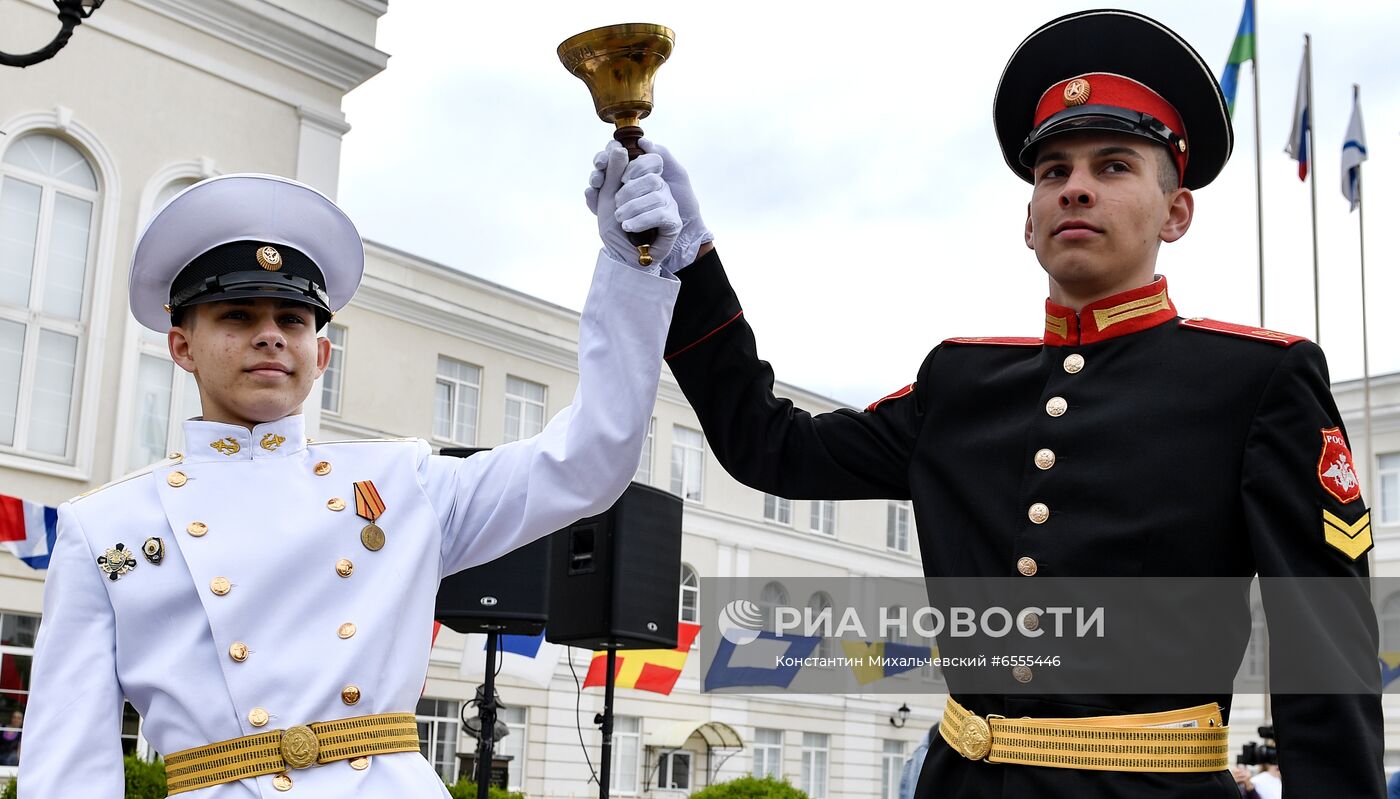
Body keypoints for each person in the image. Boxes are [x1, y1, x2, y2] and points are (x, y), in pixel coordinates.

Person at [587, 8, 1383, 798]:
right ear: (1028, 223)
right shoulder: (960, 385)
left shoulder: (1257, 381)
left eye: (1113, 166)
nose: (1075, 188)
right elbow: (768, 444)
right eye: (1053, 172)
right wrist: (683, 258)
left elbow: (1326, 652)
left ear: (1176, 213)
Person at [22, 146, 682, 797]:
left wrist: (633, 271)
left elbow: (591, 459)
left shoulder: (403, 482)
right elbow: (68, 767)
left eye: (292, 317)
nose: (270, 334)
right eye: (237, 315)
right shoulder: (104, 528)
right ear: (181, 345)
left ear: (322, 351)